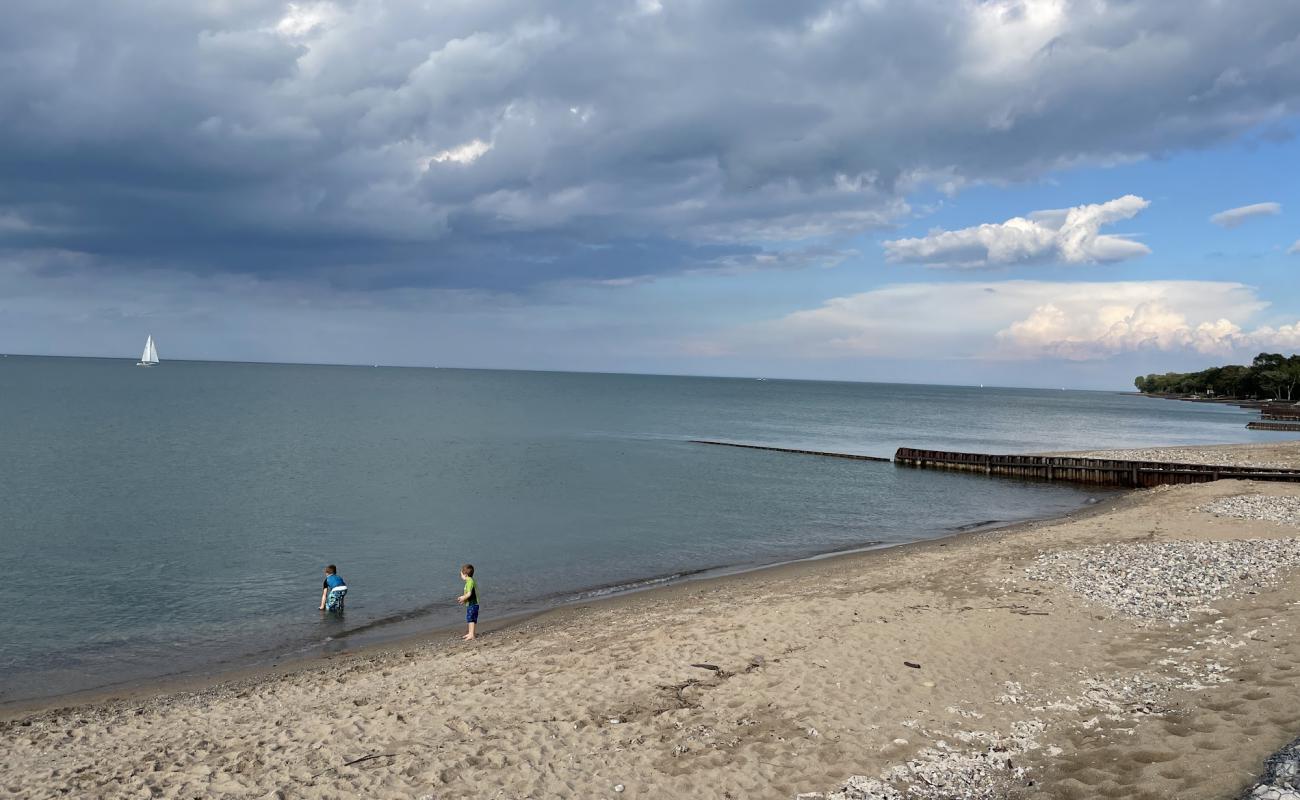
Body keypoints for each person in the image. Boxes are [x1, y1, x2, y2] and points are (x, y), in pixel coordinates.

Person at [457, 563, 479, 640]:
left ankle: (472, 634)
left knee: (471, 619)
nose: (461, 576)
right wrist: (465, 600)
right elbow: (471, 594)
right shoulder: (470, 581)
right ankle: (471, 633)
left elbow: (469, 594)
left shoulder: (469, 582)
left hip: (473, 604)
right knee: (471, 618)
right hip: (472, 603)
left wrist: (463, 597)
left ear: (465, 575)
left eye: (461, 575)